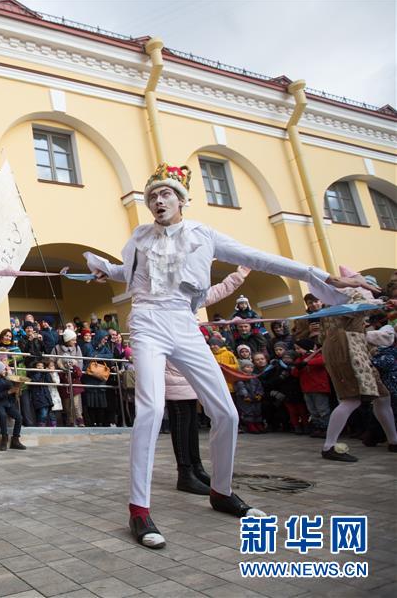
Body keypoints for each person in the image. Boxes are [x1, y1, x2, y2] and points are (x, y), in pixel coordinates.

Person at [84, 162, 375, 549]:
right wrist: (106, 268)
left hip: (185, 321)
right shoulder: (139, 237)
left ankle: (220, 492)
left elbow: (259, 258)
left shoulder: (203, 234)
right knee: (151, 409)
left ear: (182, 199)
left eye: (165, 193)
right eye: (152, 195)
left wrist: (315, 273)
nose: (158, 200)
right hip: (147, 320)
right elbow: (133, 274)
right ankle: (139, 508)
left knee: (226, 412)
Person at [164, 266, 249, 495]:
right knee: (182, 426)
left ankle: (197, 467)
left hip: (189, 376)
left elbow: (217, 291)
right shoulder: (160, 303)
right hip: (173, 376)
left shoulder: (188, 301)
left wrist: (239, 274)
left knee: (191, 425)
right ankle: (185, 474)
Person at [318, 270, 397, 462]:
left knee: (383, 397)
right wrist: (383, 303)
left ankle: (394, 440)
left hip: (353, 351)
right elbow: (363, 307)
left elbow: (323, 336)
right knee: (351, 399)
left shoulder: (331, 303)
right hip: (348, 352)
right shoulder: (348, 295)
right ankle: (329, 447)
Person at [291, 338, 331, 438]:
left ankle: (326, 428)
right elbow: (294, 373)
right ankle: (318, 427)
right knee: (312, 411)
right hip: (306, 389)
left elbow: (323, 361)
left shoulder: (317, 356)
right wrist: (298, 366)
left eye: (298, 348)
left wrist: (307, 362)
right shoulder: (300, 359)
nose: (297, 351)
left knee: (322, 410)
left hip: (319, 388)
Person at [0, 359, 27, 451]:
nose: (5, 371)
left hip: (9, 403)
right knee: (2, 415)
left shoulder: (6, 379)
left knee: (19, 417)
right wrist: (9, 391)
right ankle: (4, 439)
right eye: (3, 369)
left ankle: (15, 440)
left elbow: (11, 389)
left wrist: (16, 390)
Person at [234, 360, 265, 434]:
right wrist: (245, 395)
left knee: (257, 410)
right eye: (247, 367)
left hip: (255, 397)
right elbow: (241, 387)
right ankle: (250, 424)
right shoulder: (240, 377)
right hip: (245, 398)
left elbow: (259, 386)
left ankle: (258, 423)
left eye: (251, 367)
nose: (250, 369)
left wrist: (259, 394)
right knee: (248, 411)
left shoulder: (254, 377)